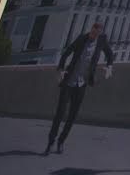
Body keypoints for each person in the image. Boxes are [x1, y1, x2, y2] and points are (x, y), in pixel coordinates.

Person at [45, 21, 114, 155]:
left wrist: (109, 66)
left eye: (96, 34)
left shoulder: (101, 41)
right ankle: (50, 142)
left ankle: (61, 142)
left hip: (82, 84)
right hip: (69, 82)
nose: (93, 36)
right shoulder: (82, 39)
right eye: (92, 33)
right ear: (91, 30)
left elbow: (110, 55)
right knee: (59, 114)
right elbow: (67, 52)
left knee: (72, 116)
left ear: (100, 33)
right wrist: (60, 68)